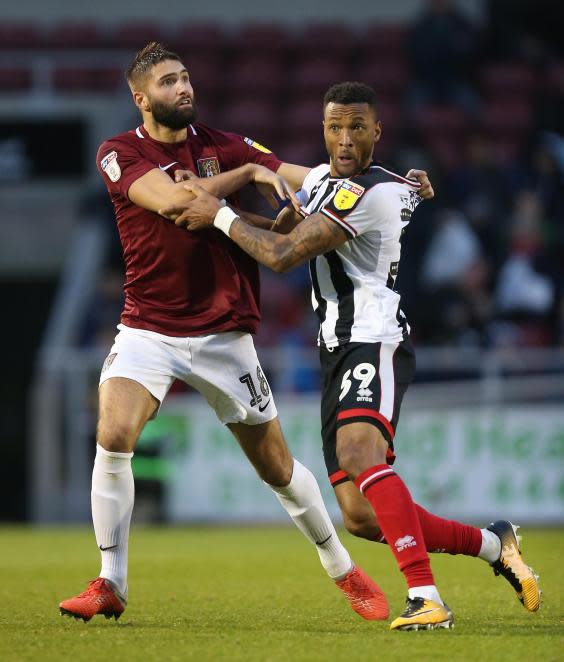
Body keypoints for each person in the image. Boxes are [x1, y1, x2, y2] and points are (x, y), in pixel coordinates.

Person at [163, 82, 541, 631]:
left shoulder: (372, 193)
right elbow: (276, 190)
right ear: (323, 129)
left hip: (374, 337)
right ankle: (494, 545)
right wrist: (230, 188)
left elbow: (283, 254)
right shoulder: (324, 181)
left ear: (377, 131)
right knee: (362, 516)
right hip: (335, 351)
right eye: (334, 127)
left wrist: (219, 216)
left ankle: (426, 597)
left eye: (357, 127)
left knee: (362, 453)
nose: (344, 139)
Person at [59, 43, 393, 624]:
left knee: (279, 471)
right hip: (148, 327)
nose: (183, 88)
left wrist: (390, 181)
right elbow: (172, 202)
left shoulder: (222, 143)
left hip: (224, 336)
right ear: (141, 98)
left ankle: (344, 570)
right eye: (168, 82)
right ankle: (110, 580)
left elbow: (301, 174)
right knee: (113, 434)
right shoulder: (117, 153)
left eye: (186, 78)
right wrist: (249, 173)